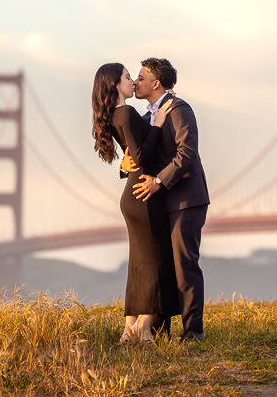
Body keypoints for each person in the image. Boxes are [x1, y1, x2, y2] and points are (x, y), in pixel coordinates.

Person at [91, 62, 180, 343]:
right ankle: (144, 328)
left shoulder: (117, 114)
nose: (133, 81)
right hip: (144, 195)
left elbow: (131, 156)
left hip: (132, 194)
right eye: (128, 77)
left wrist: (124, 164)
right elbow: (140, 156)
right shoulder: (127, 112)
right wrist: (157, 125)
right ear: (116, 85)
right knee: (156, 260)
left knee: (139, 263)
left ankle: (129, 328)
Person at [132, 57, 210, 342]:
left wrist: (159, 181)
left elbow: (187, 154)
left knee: (185, 264)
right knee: (163, 264)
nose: (136, 82)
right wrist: (124, 165)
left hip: (186, 200)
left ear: (156, 83)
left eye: (140, 77)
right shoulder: (146, 118)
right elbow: (141, 152)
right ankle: (159, 331)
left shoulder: (179, 109)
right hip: (162, 203)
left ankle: (193, 332)